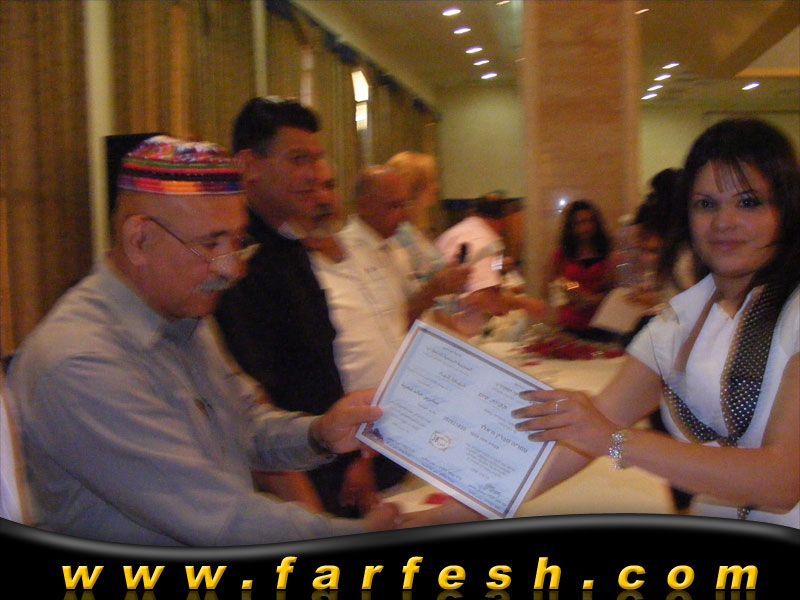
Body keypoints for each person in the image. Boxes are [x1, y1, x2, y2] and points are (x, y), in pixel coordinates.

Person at [7, 135, 402, 545]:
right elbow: (219, 518)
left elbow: (245, 426)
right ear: (139, 239)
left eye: (237, 242)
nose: (232, 269)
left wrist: (319, 433)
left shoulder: (183, 313)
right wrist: (362, 534)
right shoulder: (81, 363)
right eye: (210, 244)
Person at [514, 118, 799, 527]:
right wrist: (456, 512)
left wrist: (613, 440)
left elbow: (782, 480)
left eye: (749, 202)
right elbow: (595, 423)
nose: (724, 222)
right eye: (706, 204)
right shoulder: (681, 320)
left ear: (786, 208)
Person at [213, 97, 357, 517]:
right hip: (285, 488)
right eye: (298, 160)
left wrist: (352, 461)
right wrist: (309, 517)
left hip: (325, 456)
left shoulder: (290, 243)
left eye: (317, 159)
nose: (317, 175)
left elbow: (319, 365)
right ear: (248, 166)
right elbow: (252, 404)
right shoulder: (235, 261)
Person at [307, 163, 410, 513]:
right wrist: (357, 458)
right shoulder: (299, 272)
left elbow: (396, 328)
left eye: (329, 186)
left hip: (400, 426)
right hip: (352, 447)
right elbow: (316, 375)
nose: (323, 199)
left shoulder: (365, 250)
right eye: (310, 190)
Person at [434, 194, 547, 337]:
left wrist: (498, 265)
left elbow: (469, 271)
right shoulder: (483, 239)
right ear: (501, 221)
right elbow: (486, 298)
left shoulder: (455, 232)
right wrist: (526, 303)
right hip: (454, 334)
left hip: (439, 326)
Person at [546, 199, 614, 340]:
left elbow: (614, 286)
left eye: (590, 221)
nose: (586, 227)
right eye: (580, 223)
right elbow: (557, 281)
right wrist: (576, 290)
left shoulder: (608, 252)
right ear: (571, 227)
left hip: (603, 321)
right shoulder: (562, 254)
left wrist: (594, 299)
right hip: (571, 322)